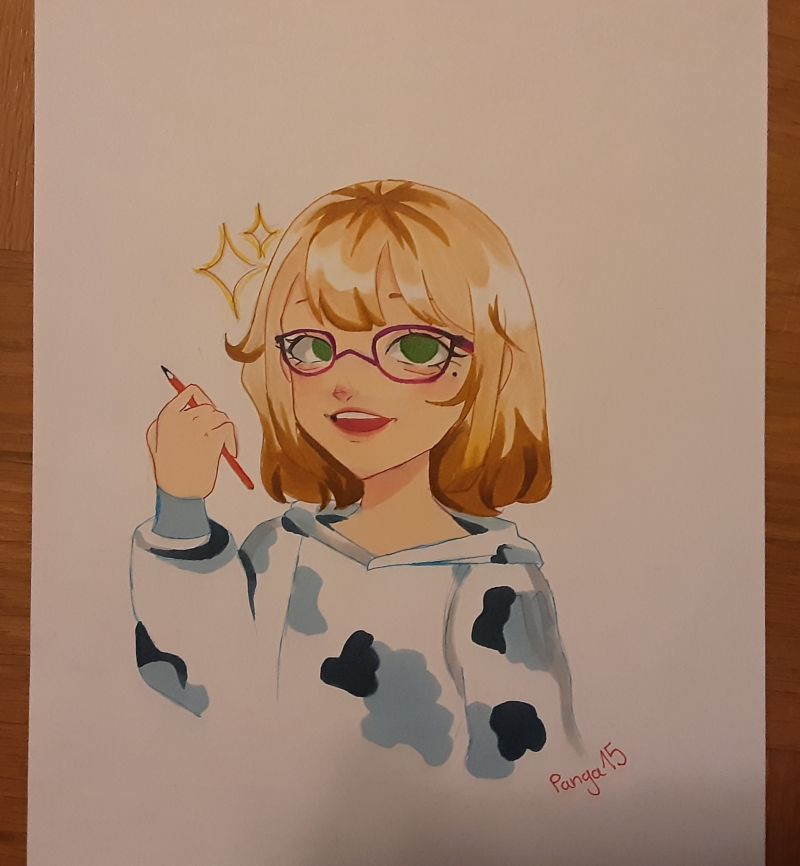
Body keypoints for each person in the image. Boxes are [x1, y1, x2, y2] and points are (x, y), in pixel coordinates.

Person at [130, 179, 582, 780]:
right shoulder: (281, 547)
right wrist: (181, 506)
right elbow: (193, 682)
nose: (345, 381)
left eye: (413, 348)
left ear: (490, 366)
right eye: (311, 347)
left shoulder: (492, 582)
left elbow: (531, 782)